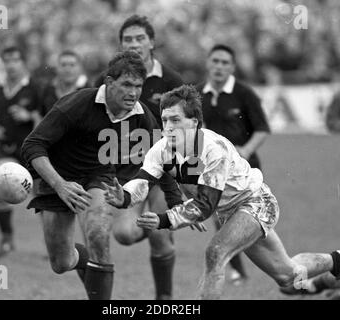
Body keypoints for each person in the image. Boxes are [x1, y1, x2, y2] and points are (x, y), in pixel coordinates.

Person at [103, 84, 340, 300]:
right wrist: (123, 196)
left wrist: (164, 219)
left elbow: (204, 206)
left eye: (175, 120)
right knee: (288, 276)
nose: (168, 128)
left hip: (256, 202)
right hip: (230, 212)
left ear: (194, 122)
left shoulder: (214, 149)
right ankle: (337, 261)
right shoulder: (162, 149)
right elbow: (143, 180)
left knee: (216, 252)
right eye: (165, 121)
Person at [21, 51, 177, 300]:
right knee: (61, 262)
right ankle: (84, 262)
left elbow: (162, 160)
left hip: (99, 177)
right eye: (127, 84)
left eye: (138, 86)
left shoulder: (141, 116)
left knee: (97, 233)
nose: (133, 92)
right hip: (56, 179)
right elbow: (32, 145)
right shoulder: (77, 104)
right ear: (109, 82)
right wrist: (60, 185)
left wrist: (179, 204)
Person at [94, 14, 183, 299]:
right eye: (127, 39)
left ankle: (165, 298)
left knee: (159, 234)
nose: (134, 44)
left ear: (152, 42)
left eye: (139, 38)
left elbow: (191, 129)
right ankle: (149, 224)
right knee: (125, 235)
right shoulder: (106, 81)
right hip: (125, 175)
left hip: (163, 171)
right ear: (120, 45)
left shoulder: (171, 80)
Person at [196, 44, 271, 283]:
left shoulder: (244, 93)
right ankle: (237, 271)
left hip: (246, 170)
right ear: (207, 63)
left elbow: (262, 129)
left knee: (249, 220)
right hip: (214, 170)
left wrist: (245, 150)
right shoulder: (197, 94)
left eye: (224, 62)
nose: (219, 67)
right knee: (220, 218)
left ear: (233, 67)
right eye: (215, 61)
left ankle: (277, 266)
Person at [0, 46, 40, 258]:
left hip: (32, 151)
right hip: (5, 149)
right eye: (7, 61)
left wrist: (29, 115)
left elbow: (46, 116)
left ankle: (51, 240)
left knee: (41, 195)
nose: (11, 65)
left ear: (22, 62)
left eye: (15, 60)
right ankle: (6, 238)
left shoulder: (34, 88)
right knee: (0, 190)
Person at [39, 50, 89, 117]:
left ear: (80, 68)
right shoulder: (48, 90)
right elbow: (40, 117)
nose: (67, 69)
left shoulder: (88, 91)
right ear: (56, 68)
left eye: (72, 65)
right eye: (63, 65)